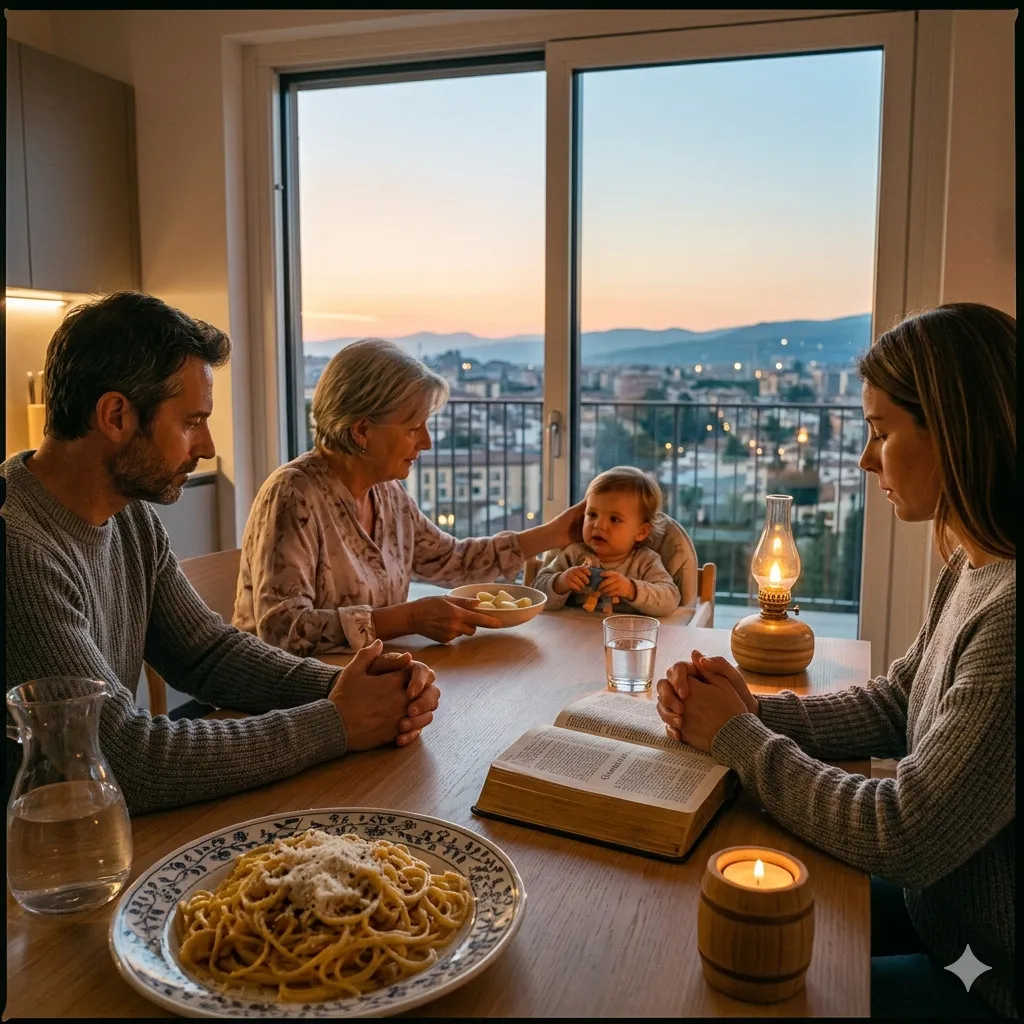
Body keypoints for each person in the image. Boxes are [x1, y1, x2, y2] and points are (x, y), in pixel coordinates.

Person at [655, 302, 1015, 1018]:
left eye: (882, 431)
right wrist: (755, 709)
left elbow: (904, 833)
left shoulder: (1010, 617)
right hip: (945, 920)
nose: (865, 457)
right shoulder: (975, 567)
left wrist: (738, 737)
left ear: (954, 429)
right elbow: (896, 702)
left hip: (985, 978)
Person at [2, 292, 441, 816]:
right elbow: (121, 758)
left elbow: (205, 653)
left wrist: (349, 685)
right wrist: (336, 722)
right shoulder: (19, 549)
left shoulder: (130, 517)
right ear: (116, 415)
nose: (207, 447)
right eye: (191, 422)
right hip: (42, 868)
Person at [233, 338, 586, 656]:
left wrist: (555, 533)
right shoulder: (294, 494)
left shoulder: (388, 494)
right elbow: (283, 632)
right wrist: (408, 618)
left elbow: (452, 560)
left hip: (362, 687)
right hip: (282, 708)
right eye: (414, 427)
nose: (427, 442)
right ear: (362, 430)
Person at [532, 466, 680, 617]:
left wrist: (631, 589)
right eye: (592, 514)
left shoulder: (645, 562)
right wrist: (560, 582)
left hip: (625, 635)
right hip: (573, 632)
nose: (598, 525)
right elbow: (537, 594)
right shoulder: (574, 554)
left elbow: (670, 599)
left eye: (614, 519)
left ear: (641, 532)